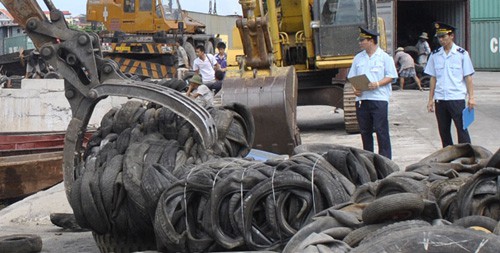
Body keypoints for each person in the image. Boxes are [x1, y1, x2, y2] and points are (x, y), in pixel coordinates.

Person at [347, 27, 398, 159]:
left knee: (381, 131)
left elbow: (391, 76)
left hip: (379, 99)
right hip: (362, 100)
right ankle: (369, 160)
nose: (360, 43)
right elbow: (352, 77)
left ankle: (385, 160)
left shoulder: (384, 57)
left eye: (362, 40)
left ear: (371, 41)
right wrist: (355, 89)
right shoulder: (358, 58)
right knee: (365, 131)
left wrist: (377, 84)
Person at [424, 22, 475, 148]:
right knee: (444, 131)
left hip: (456, 97)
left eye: (444, 37)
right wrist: (430, 99)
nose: (441, 40)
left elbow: (468, 77)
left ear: (451, 36)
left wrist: (472, 97)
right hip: (441, 98)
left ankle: (467, 156)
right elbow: (433, 78)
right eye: (439, 37)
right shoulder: (435, 55)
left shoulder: (462, 54)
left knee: (462, 129)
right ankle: (448, 157)